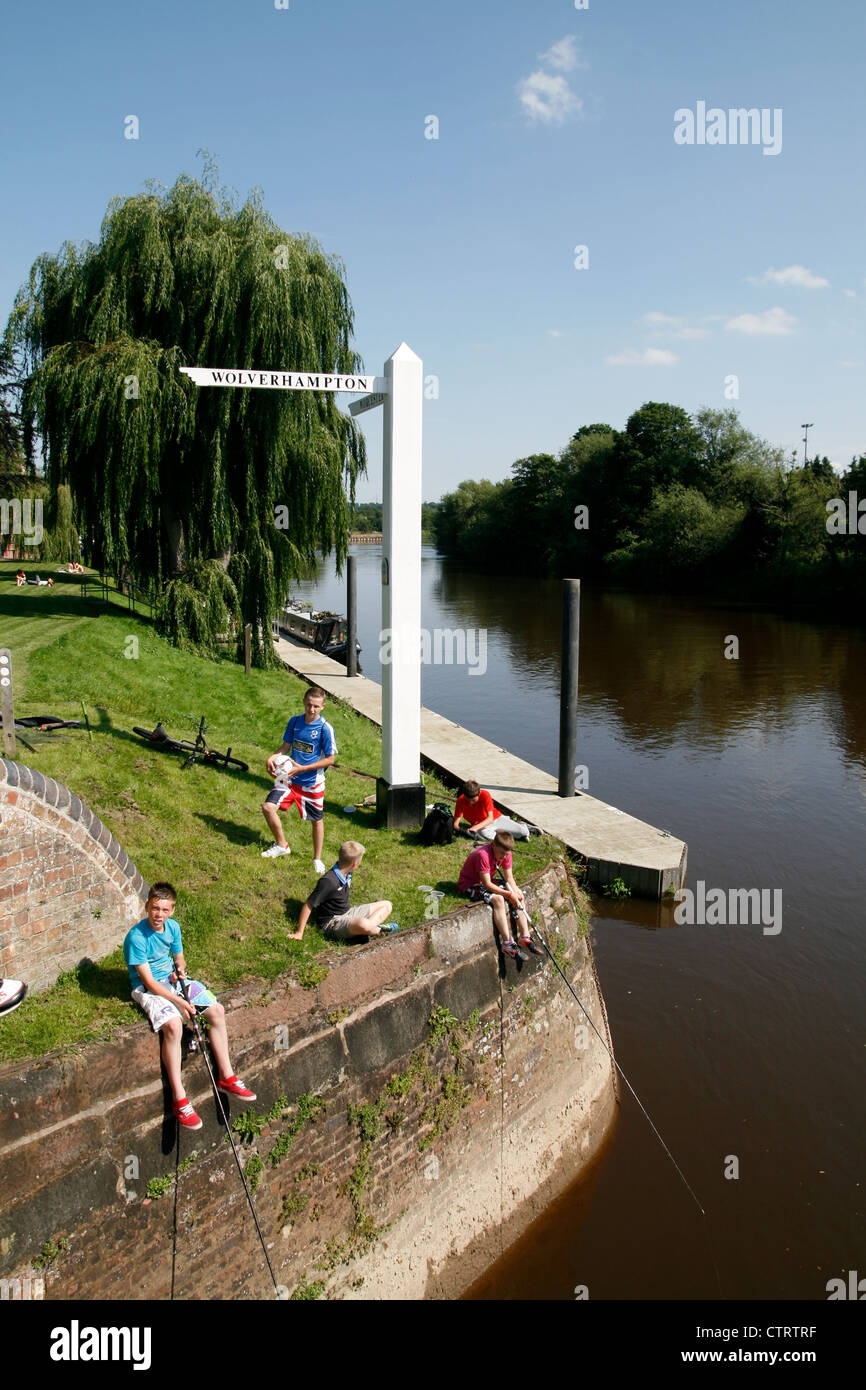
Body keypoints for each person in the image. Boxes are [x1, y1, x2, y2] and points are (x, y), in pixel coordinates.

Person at [123, 882, 256, 1131]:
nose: (158, 915)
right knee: (173, 1026)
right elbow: (149, 981)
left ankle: (227, 1076)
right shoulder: (136, 938)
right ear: (146, 906)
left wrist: (180, 970)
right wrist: (180, 1002)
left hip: (173, 981)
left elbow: (178, 957)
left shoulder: (172, 928)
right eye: (154, 909)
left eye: (164, 910)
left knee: (216, 1010)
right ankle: (180, 1098)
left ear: (171, 911)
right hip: (147, 989)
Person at [262, 686, 336, 874]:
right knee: (268, 808)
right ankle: (282, 846)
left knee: (316, 821)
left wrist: (302, 768)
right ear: (304, 702)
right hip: (288, 779)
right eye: (309, 705)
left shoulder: (325, 729)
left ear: (323, 706)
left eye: (316, 707)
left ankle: (317, 858)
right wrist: (272, 757)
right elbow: (285, 746)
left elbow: (330, 759)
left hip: (312, 783)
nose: (312, 710)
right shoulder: (294, 722)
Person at [457, 830, 543, 959]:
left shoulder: (506, 854)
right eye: (501, 854)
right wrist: (508, 895)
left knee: (517, 893)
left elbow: (509, 877)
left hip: (484, 882)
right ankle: (508, 943)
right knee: (498, 899)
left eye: (506, 854)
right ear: (493, 845)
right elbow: (487, 885)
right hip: (470, 885)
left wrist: (515, 891)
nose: (503, 857)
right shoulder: (483, 855)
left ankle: (525, 936)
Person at [288, 841, 397, 942]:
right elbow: (308, 905)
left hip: (348, 912)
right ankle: (377, 930)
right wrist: (299, 932)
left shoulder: (347, 872)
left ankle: (367, 931)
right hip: (332, 922)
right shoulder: (328, 881)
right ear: (354, 864)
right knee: (363, 924)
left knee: (387, 905)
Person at [453, 780, 532, 841]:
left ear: (478, 793)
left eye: (473, 800)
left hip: (496, 819)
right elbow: (456, 821)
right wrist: (460, 830)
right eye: (468, 800)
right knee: (492, 838)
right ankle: (508, 834)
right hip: (482, 826)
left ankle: (525, 827)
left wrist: (474, 828)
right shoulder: (461, 800)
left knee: (522, 832)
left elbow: (490, 818)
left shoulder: (485, 795)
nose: (470, 802)